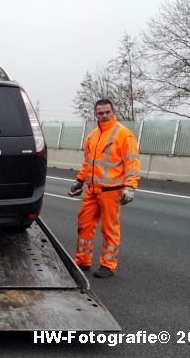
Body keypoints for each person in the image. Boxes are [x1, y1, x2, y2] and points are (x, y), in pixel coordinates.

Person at [68, 99, 140, 278]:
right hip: (92, 190)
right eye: (100, 113)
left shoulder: (124, 135)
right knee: (84, 226)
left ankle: (108, 265)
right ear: (96, 114)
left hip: (111, 191)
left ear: (113, 112)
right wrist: (79, 181)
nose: (104, 115)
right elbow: (88, 163)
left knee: (110, 230)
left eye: (107, 112)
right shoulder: (92, 135)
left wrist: (130, 187)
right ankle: (82, 261)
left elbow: (132, 163)